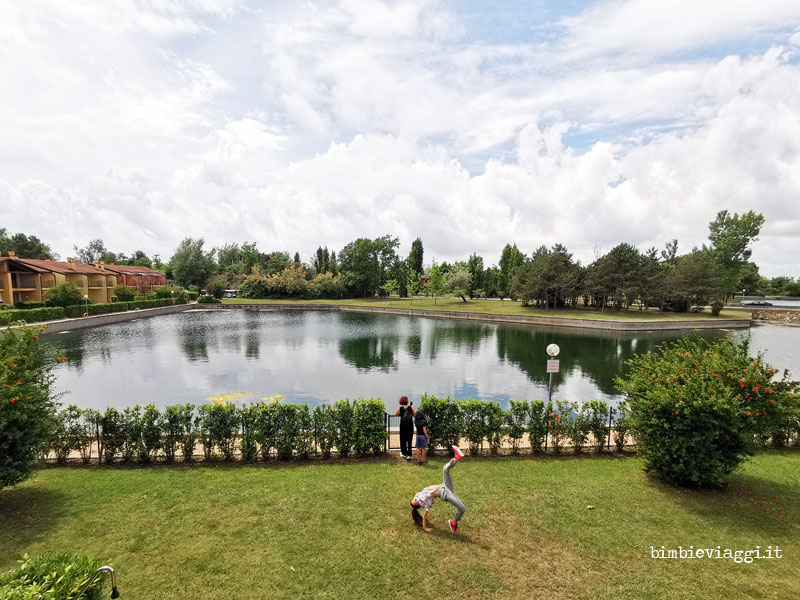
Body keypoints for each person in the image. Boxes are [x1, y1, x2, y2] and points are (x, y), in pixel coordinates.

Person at [410, 446, 466, 534]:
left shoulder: (419, 494)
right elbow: (424, 516)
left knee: (445, 469)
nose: (416, 499)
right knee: (462, 508)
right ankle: (453, 522)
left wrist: (413, 501)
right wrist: (425, 528)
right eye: (416, 502)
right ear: (419, 505)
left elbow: (416, 494)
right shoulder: (424, 503)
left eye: (414, 499)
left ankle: (457, 457)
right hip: (444, 493)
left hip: (444, 485)